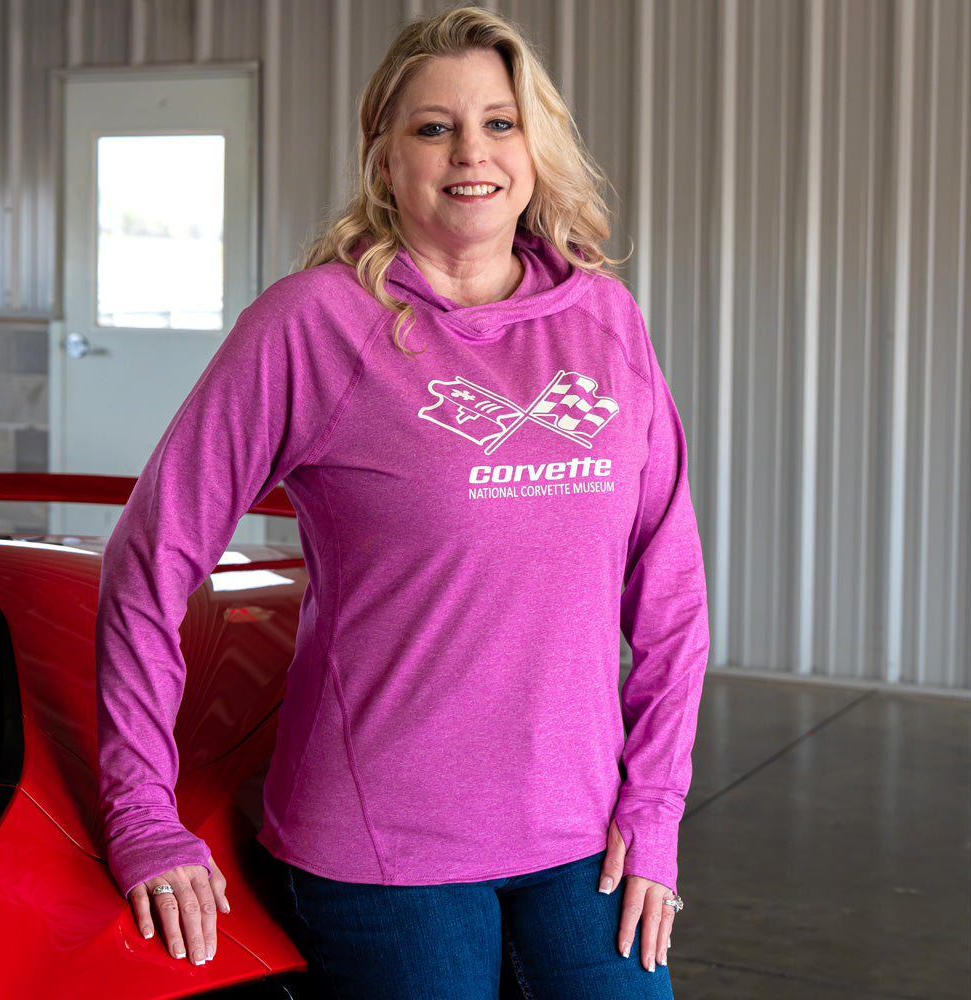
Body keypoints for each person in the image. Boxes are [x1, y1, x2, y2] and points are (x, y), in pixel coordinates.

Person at [96, 7, 709, 999]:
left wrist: (655, 810)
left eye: (500, 123)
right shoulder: (316, 326)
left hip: (583, 833)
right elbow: (152, 555)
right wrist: (139, 811)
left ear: (536, 145)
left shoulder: (605, 320)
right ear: (385, 159)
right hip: (383, 849)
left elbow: (670, 591)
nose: (471, 152)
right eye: (434, 127)